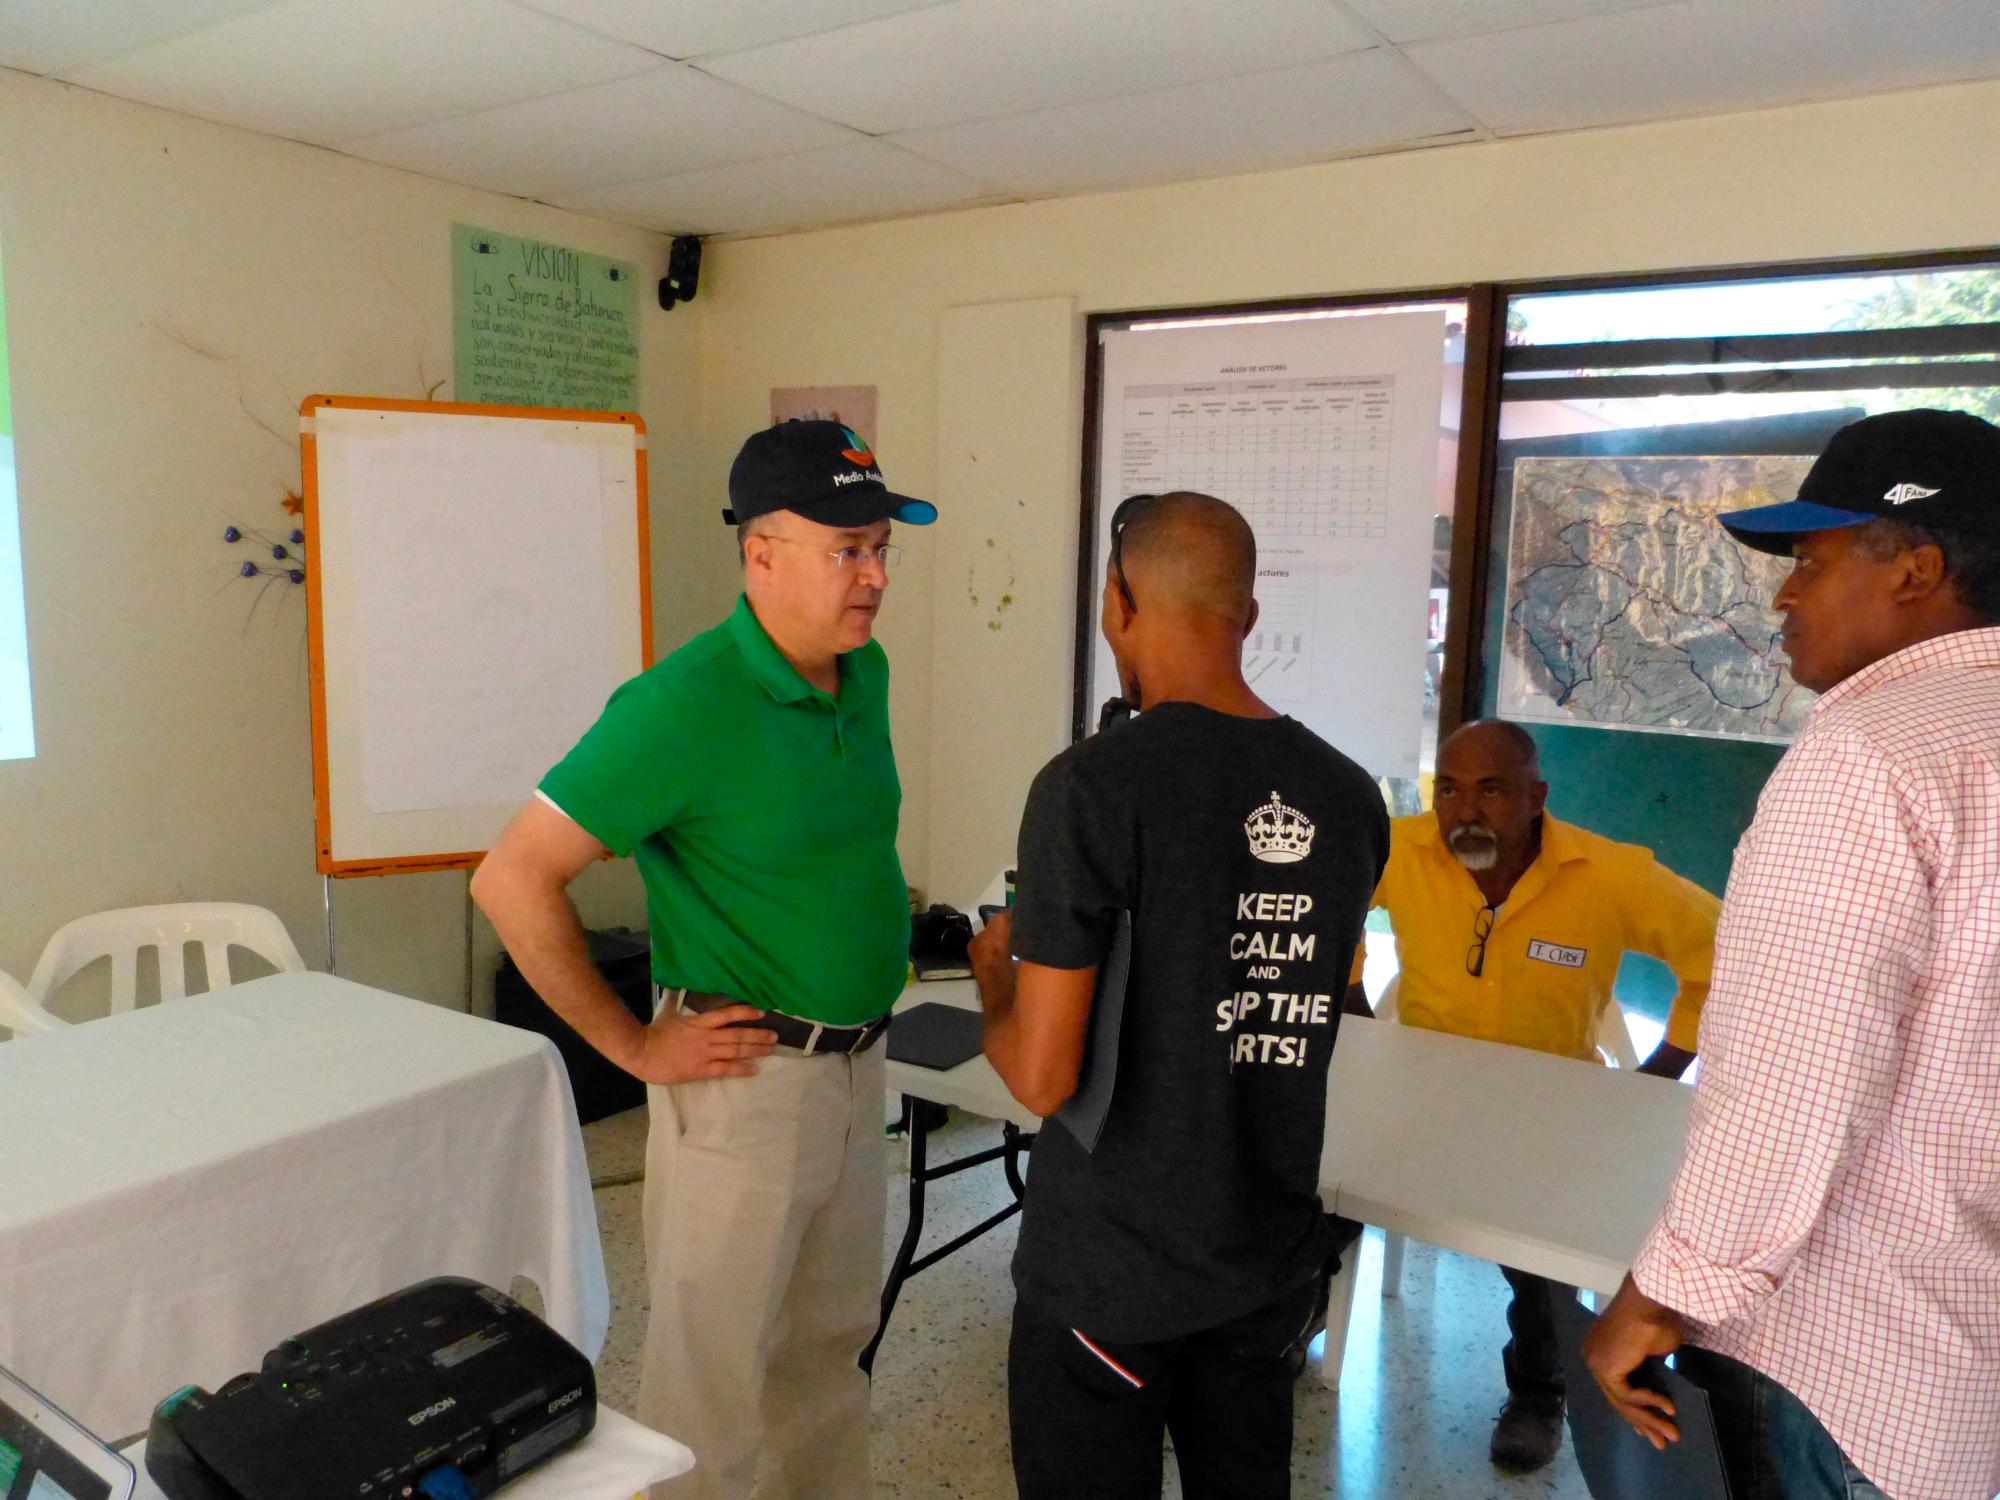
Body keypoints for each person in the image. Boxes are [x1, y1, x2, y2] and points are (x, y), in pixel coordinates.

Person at [470, 419, 934, 1500]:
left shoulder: (857, 676)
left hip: (859, 1068)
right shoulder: (678, 708)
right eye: (845, 550)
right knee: (710, 1387)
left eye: (879, 549)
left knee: (826, 1354)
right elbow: (512, 878)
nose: (870, 577)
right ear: (760, 552)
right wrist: (630, 1043)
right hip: (744, 1084)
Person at [1584, 408, 2000, 1500]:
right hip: (1964, 1384)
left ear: (1915, 566)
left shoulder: (1868, 755)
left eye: (1809, 561)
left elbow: (1792, 1081)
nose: (1780, 594)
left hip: (1845, 1367)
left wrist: (1660, 1293)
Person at [968, 491, 1388, 1499]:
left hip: (1110, 1274)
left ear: (1118, 602)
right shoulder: (1346, 795)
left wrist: (996, 983)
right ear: (1245, 616)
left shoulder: (1089, 787)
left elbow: (1039, 1075)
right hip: (1264, 1264)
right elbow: (1288, 1000)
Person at [1346, 717, 1720, 1471]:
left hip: (1552, 1119)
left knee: (1546, 1265)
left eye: (1491, 790)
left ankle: (1538, 1392)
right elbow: (1323, 906)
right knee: (1309, 1194)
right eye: (1448, 789)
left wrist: (1664, 1068)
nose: (1465, 811)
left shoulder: (1610, 875)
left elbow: (1727, 946)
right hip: (1417, 1099)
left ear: (1535, 796)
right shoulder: (1400, 849)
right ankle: (1294, 1331)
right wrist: (1355, 1016)